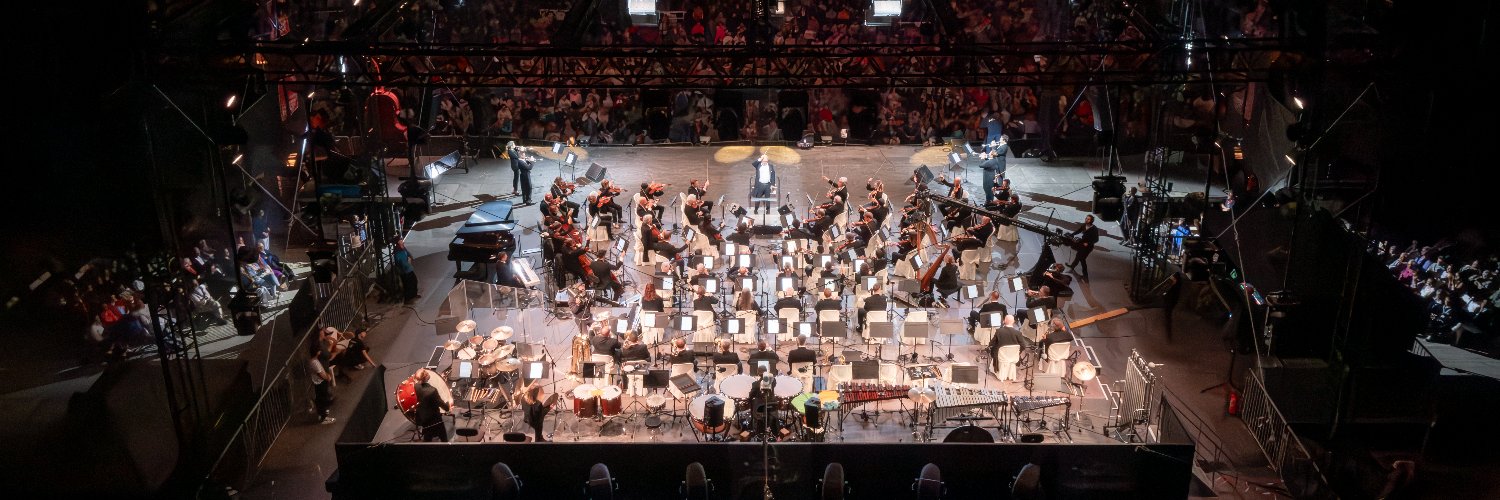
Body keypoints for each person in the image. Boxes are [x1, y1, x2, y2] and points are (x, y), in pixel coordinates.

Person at [413, 369, 449, 441]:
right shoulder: (432, 391)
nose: (429, 374)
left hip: (423, 418)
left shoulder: (416, 386)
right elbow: (444, 407)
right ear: (426, 377)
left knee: (427, 437)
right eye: (427, 373)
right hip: (435, 420)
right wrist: (448, 402)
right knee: (444, 438)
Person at [1066, 215, 1101, 280]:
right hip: (1082, 244)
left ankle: (1085, 275)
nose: (1086, 220)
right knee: (1078, 256)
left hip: (1088, 247)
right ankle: (1072, 267)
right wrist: (1071, 234)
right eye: (1086, 218)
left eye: (1088, 219)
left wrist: (1088, 243)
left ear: (1091, 221)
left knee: (1082, 259)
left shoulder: (1094, 229)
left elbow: (1096, 239)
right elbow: (1078, 231)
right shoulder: (1084, 225)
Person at [308, 342, 335, 424]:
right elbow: (321, 374)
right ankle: (323, 418)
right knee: (322, 399)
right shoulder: (315, 362)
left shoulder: (314, 360)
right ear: (317, 352)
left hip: (319, 383)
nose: (320, 351)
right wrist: (328, 377)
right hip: (320, 383)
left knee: (321, 399)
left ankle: (322, 415)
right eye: (319, 350)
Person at [393, 237, 419, 304]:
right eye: (401, 240)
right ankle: (407, 299)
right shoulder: (397, 251)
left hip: (408, 269)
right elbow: (401, 262)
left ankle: (414, 295)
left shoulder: (403, 248)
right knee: (408, 285)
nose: (402, 240)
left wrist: (410, 257)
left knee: (414, 281)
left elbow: (408, 253)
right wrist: (408, 265)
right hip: (405, 271)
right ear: (398, 242)